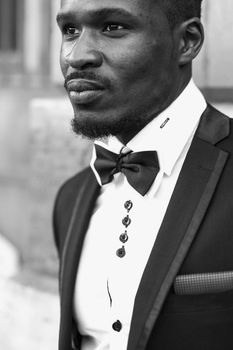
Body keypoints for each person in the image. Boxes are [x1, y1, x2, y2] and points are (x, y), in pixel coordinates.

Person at [53, 0, 233, 349]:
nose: (76, 56)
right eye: (69, 30)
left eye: (113, 27)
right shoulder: (70, 198)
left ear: (187, 42)